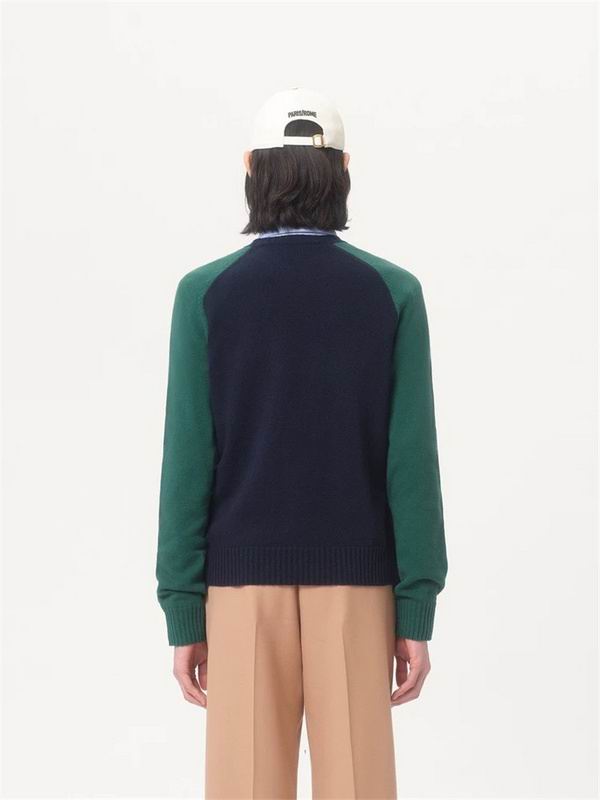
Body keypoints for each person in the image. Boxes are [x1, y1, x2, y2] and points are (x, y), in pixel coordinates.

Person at [155, 87, 448, 800]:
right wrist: (415, 607)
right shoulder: (392, 292)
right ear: (343, 169)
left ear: (251, 167)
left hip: (238, 590)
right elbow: (411, 464)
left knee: (244, 787)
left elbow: (187, 462)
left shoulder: (205, 294)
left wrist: (183, 607)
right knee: (359, 785)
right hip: (358, 589)